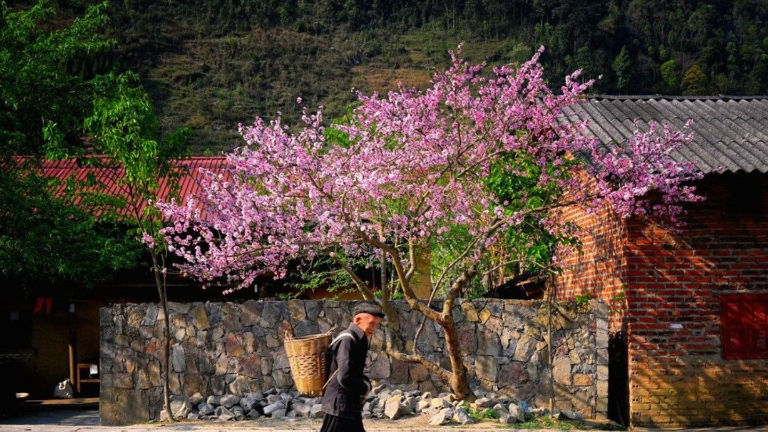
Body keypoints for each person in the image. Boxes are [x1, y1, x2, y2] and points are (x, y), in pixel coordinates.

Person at [320, 302, 384, 432]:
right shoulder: (347, 340)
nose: (374, 328)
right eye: (372, 323)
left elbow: (354, 371)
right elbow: (345, 377)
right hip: (340, 404)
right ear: (357, 320)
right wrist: (365, 387)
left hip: (348, 405)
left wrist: (366, 383)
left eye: (376, 324)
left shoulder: (360, 339)